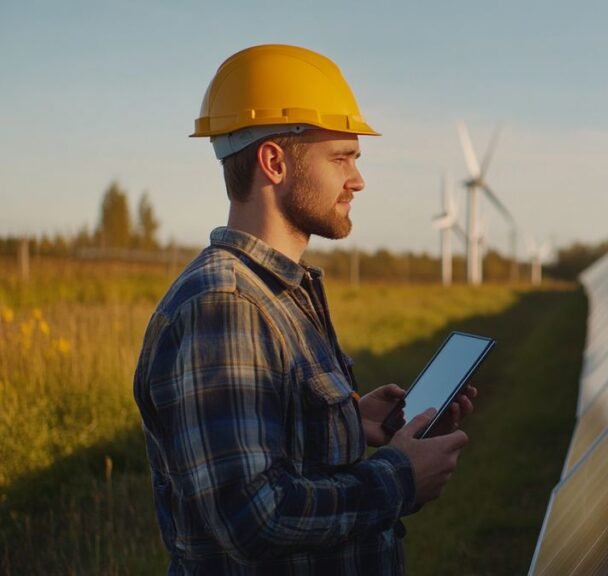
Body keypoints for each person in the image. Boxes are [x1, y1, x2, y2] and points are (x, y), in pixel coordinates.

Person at [133, 44, 476, 575]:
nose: (358, 180)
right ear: (273, 162)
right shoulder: (224, 306)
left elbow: (269, 449)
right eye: (341, 157)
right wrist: (399, 476)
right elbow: (251, 516)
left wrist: (346, 421)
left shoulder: (282, 292)